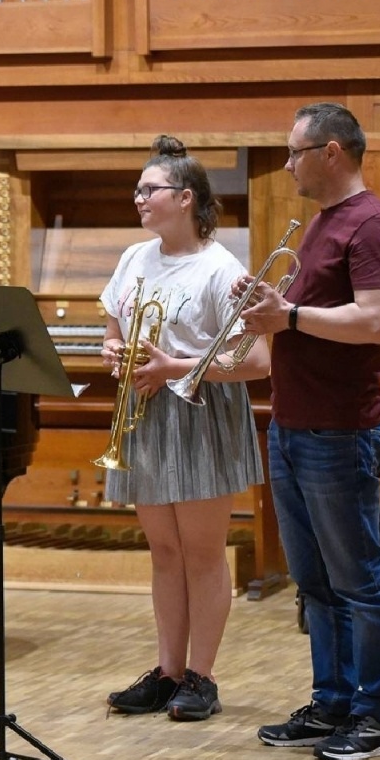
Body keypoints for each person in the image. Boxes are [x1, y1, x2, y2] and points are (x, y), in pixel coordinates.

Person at [237, 103, 380, 760]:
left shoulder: (373, 225)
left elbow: (374, 320)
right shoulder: (321, 223)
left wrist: (289, 315)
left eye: (295, 152)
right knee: (315, 582)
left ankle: (375, 716)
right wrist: (268, 306)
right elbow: (303, 314)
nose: (287, 165)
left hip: (338, 429)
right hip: (291, 424)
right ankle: (332, 702)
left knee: (360, 579)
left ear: (331, 152)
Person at [101, 136, 269, 722]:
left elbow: (256, 360)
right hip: (146, 410)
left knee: (201, 553)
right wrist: (113, 350)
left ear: (186, 198)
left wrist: (173, 366)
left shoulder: (221, 269)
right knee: (165, 552)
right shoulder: (133, 257)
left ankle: (202, 676)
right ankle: (168, 672)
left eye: (150, 189)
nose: (139, 198)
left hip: (199, 412)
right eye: (138, 189)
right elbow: (113, 329)